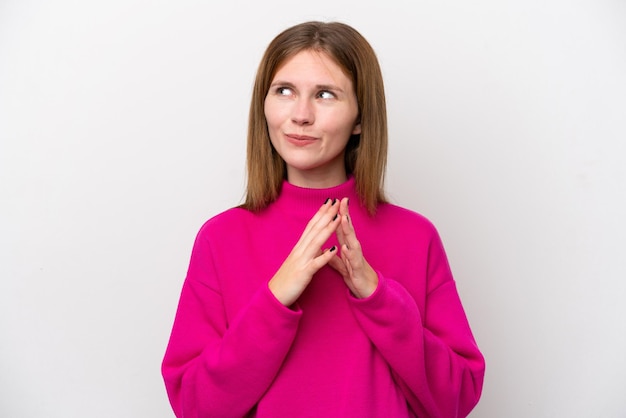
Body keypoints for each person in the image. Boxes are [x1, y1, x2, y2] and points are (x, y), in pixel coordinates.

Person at [162, 21, 485, 418]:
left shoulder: (416, 237)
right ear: (263, 105)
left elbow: (456, 398)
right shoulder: (221, 238)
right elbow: (195, 406)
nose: (301, 115)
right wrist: (276, 297)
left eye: (326, 95)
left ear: (361, 119)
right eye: (284, 91)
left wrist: (376, 294)